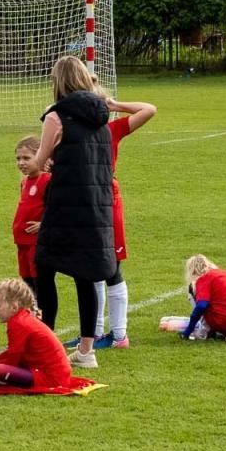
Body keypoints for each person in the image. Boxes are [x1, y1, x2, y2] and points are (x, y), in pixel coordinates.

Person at [26, 55, 116, 370]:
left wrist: (44, 162)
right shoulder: (102, 117)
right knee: (85, 276)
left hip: (65, 205)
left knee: (45, 268)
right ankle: (86, 350)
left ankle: (47, 342)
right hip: (97, 206)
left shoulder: (56, 116)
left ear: (59, 82)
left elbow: (38, 162)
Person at [83, 96, 158, 350]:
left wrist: (116, 106)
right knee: (90, 268)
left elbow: (149, 109)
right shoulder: (78, 132)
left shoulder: (111, 129)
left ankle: (119, 335)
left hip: (106, 199)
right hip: (87, 200)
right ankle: (92, 333)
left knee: (112, 267)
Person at [0, 279, 95, 395]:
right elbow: (11, 353)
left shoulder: (18, 324)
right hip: (54, 373)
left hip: (51, 378)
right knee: (0, 369)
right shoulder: (22, 317)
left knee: (0, 370)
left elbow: (12, 360)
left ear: (14, 307)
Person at [177, 256, 226, 342]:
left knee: (192, 292)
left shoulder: (203, 279)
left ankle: (205, 332)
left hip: (224, 321)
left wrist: (188, 331)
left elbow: (202, 306)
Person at [11, 135, 50, 294]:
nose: (21, 162)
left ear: (41, 156)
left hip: (36, 242)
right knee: (27, 284)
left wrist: (44, 224)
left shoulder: (47, 180)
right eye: (18, 158)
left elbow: (57, 209)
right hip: (21, 242)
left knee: (39, 282)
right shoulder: (25, 182)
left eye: (27, 158)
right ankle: (32, 315)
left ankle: (41, 316)